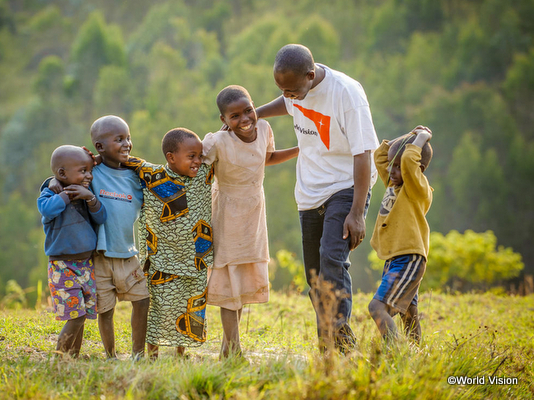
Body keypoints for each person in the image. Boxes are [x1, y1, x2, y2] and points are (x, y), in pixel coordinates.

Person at [255, 44, 380, 353]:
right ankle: (331, 339)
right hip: (310, 190)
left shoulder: (347, 95)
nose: (289, 96)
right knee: (314, 275)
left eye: (293, 90)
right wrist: (253, 113)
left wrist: (357, 212)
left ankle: (338, 335)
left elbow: (364, 155)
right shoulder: (294, 89)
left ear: (310, 76)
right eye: (282, 89)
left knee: (332, 259)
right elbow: (286, 104)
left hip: (347, 184)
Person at [202, 85, 298, 358]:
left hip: (254, 212)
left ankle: (227, 348)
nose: (245, 119)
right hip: (226, 214)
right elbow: (196, 170)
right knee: (229, 278)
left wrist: (300, 149)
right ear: (223, 120)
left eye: (248, 111)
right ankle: (233, 349)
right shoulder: (218, 142)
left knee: (241, 279)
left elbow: (266, 158)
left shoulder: (265, 130)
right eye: (234, 116)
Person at [47, 115, 150, 360]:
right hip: (100, 256)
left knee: (143, 300)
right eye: (119, 139)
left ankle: (138, 354)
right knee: (106, 309)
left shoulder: (137, 176)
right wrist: (53, 180)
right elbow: (65, 172)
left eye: (128, 138)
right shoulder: (92, 172)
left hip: (128, 253)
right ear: (100, 147)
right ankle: (111, 355)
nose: (127, 144)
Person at [123, 128, 213, 359]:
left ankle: (179, 352)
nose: (197, 161)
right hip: (162, 260)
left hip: (195, 259)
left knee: (189, 306)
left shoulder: (204, 173)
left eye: (199, 155)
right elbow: (125, 160)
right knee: (159, 308)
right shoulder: (152, 176)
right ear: (171, 157)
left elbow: (228, 152)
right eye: (191, 156)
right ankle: (152, 353)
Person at [37, 145, 107, 357]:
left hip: (85, 264)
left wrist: (89, 198)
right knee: (74, 315)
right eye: (83, 171)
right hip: (63, 266)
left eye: (89, 171)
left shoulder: (85, 194)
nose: (88, 176)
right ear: (61, 174)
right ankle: (60, 357)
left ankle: (72, 357)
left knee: (81, 313)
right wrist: (66, 194)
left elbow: (101, 217)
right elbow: (47, 210)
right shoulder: (51, 194)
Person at [368, 126, 433, 344]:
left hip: (409, 257)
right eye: (392, 165)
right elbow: (379, 155)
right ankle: (417, 354)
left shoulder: (417, 188)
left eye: (398, 166)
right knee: (408, 312)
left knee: (377, 307)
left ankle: (397, 355)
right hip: (395, 258)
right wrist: (408, 137)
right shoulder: (394, 184)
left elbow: (407, 163)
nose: (392, 170)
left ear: (419, 168)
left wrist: (422, 138)